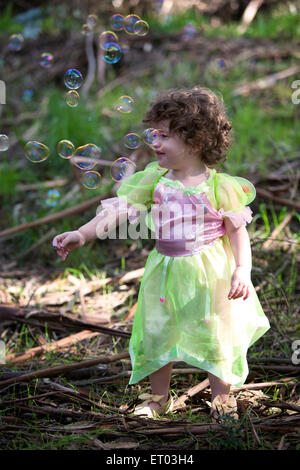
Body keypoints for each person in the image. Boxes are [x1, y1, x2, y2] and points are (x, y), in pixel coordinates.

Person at [52, 86, 270, 421]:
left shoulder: (219, 186)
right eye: (153, 134)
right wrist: (82, 234)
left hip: (209, 273)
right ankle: (157, 397)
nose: (154, 143)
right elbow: (120, 211)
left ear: (194, 141)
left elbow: (237, 231)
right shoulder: (154, 179)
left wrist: (242, 269)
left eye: (164, 136)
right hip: (164, 272)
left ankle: (222, 397)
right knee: (156, 330)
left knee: (215, 331)